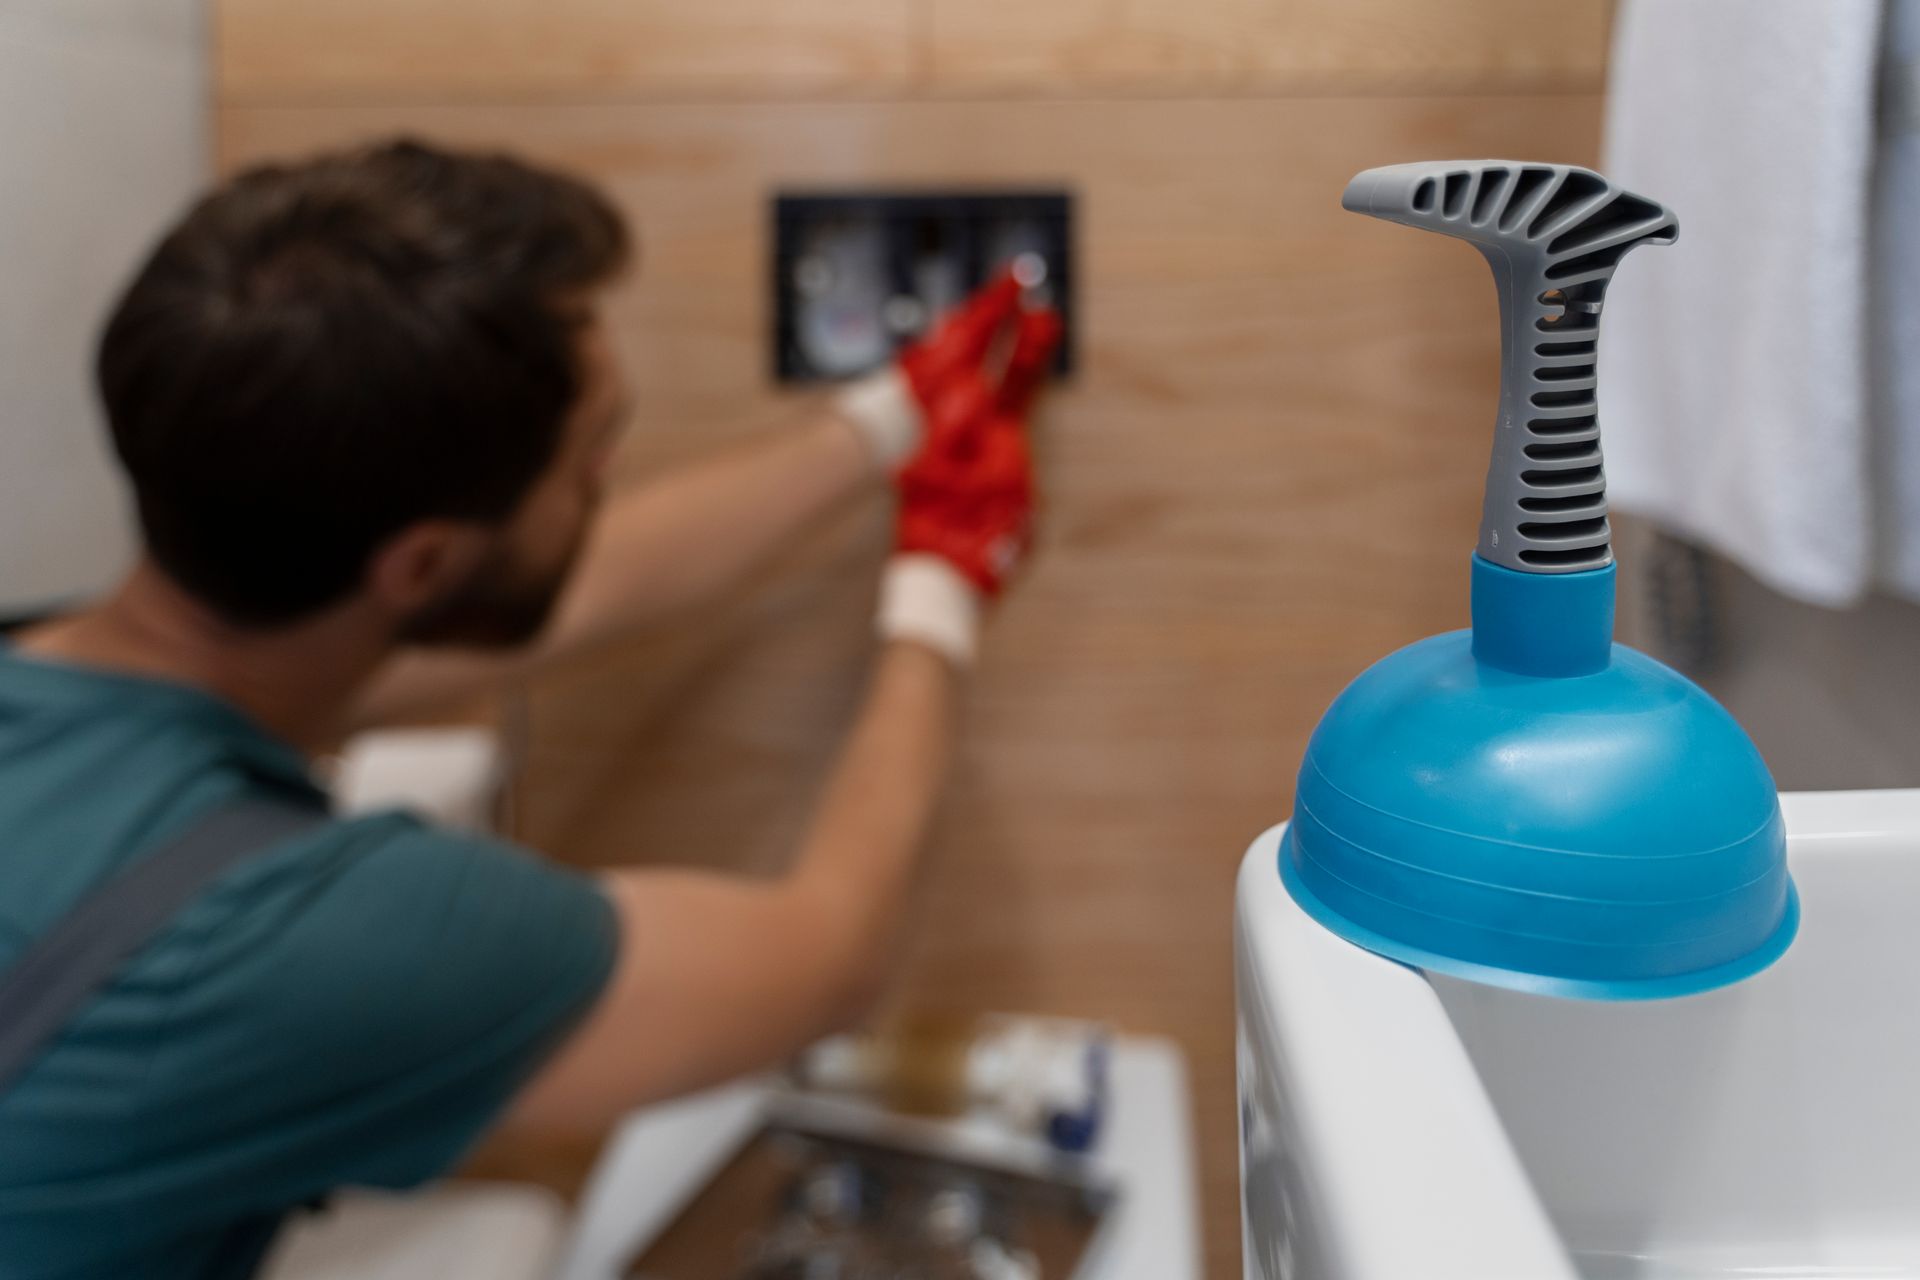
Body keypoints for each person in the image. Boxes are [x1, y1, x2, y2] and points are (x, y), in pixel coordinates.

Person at [0, 139, 1061, 1278]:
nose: (610, 480)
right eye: (589, 463)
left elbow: (575, 592)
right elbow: (828, 954)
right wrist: (943, 582)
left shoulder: (76, 679)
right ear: (421, 563)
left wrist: (894, 416)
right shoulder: (309, 932)